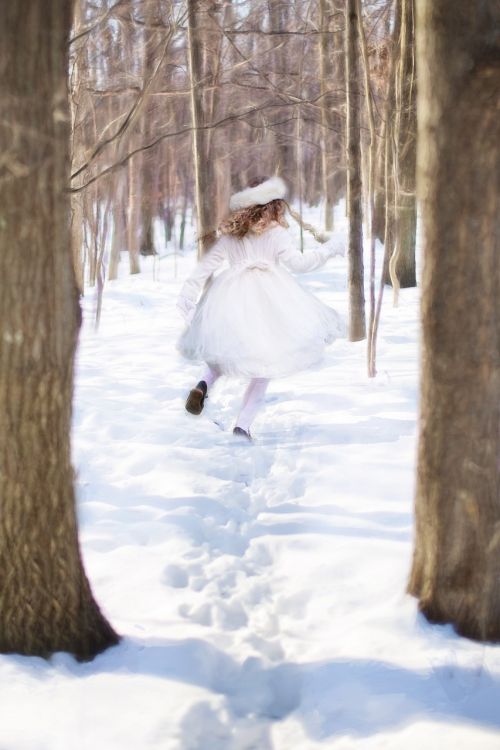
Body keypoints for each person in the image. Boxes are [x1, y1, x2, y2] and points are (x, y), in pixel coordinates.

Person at [176, 175, 345, 441]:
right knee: (265, 363)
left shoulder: (232, 233)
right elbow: (299, 264)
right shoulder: (276, 233)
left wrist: (188, 294)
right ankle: (242, 426)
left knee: (227, 348)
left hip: (231, 295)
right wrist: (330, 250)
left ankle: (203, 384)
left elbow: (206, 267)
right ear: (273, 203)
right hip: (270, 298)